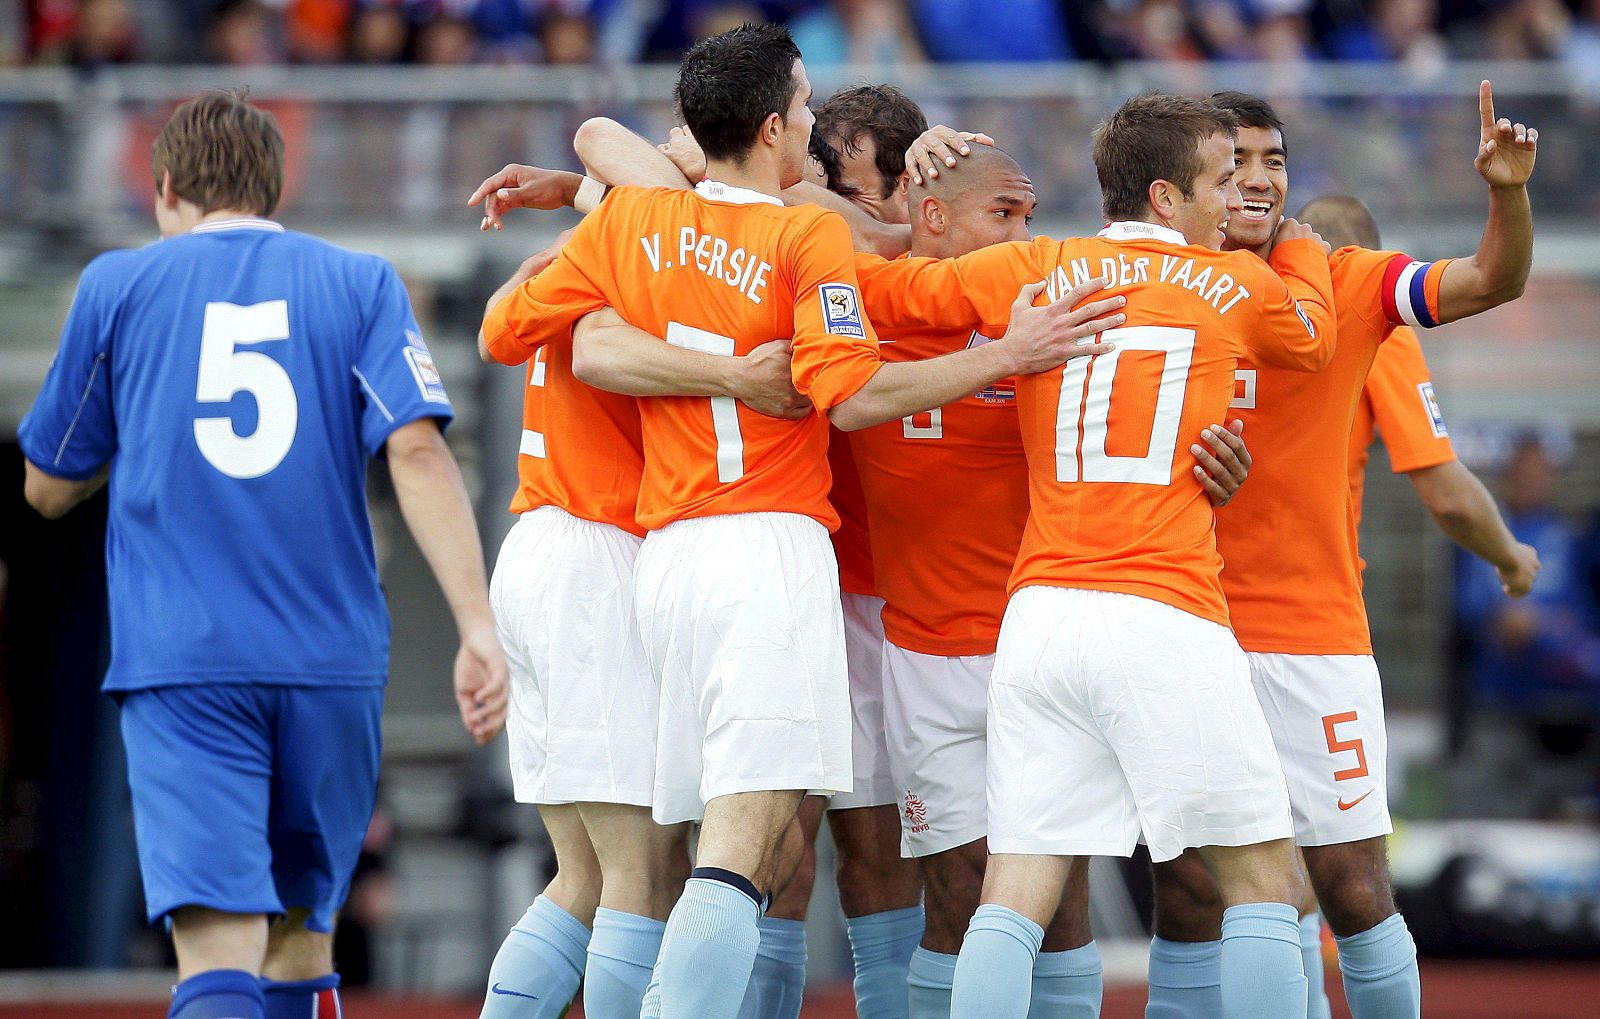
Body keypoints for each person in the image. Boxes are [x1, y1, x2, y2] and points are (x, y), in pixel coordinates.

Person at [476, 23, 1121, 1018]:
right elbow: (848, 390)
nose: (816, 130)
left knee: (645, 864)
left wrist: (601, 215)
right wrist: (1002, 344)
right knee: (737, 850)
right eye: (807, 112)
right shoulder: (803, 238)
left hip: (660, 558)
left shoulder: (632, 226)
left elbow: (507, 324)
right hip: (762, 548)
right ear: (775, 128)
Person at [18, 91, 507, 1019]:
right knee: (298, 938)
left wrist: (140, 436)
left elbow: (45, 484)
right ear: (275, 190)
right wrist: (475, 625)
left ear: (164, 190)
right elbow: (415, 448)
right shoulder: (361, 281)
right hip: (330, 666)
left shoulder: (118, 287)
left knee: (216, 946)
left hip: (188, 667)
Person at [856, 92, 1339, 1019]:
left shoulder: (1036, 265)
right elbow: (1311, 339)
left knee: (1014, 892)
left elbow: (886, 287)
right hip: (1161, 608)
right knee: (1266, 883)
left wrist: (873, 220)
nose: (1236, 194)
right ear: (1166, 196)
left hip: (1040, 617)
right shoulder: (1236, 284)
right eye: (1217, 179)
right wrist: (1303, 245)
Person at [1144, 87, 1537, 1019]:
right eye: (1235, 159)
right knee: (1196, 889)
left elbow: (1491, 281)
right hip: (1188, 633)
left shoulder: (1351, 282)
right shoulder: (1144, 283)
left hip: (1318, 636)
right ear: (1190, 178)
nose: (1256, 178)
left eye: (1273, 160)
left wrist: (1507, 197)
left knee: (1355, 884)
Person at [468, 225, 809, 1018]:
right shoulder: (648, 260)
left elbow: (494, 329)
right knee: (644, 871)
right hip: (601, 551)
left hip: (538, 544)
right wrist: (734, 374)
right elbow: (593, 350)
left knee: (582, 875)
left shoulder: (580, 252)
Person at [1304, 192, 1540, 600]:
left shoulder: (1252, 306)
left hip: (1206, 589)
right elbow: (1446, 494)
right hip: (1313, 594)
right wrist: (1510, 556)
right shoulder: (1369, 321)